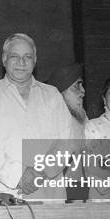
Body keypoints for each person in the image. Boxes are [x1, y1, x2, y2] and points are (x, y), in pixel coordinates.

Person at [0, 33, 73, 200]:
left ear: (35, 60)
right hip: (6, 191)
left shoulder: (52, 94)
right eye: (15, 56)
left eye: (27, 56)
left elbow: (66, 141)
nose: (21, 62)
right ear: (4, 59)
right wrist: (18, 175)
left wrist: (41, 173)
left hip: (49, 190)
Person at [47, 63, 89, 201]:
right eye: (76, 87)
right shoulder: (52, 121)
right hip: (65, 191)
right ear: (60, 93)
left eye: (82, 85)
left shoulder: (82, 117)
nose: (83, 92)